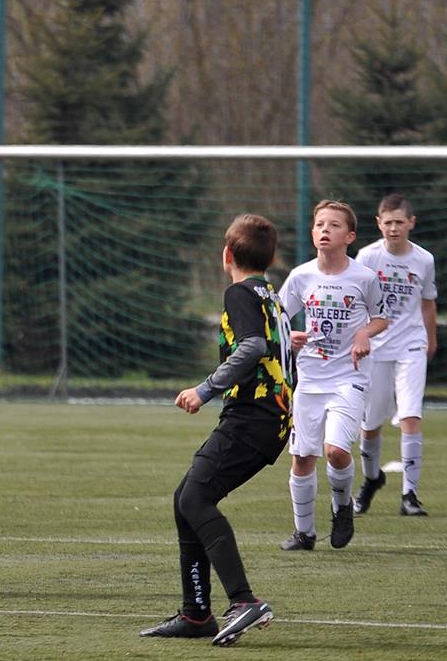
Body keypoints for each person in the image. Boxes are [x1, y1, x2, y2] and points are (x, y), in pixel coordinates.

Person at [140, 215, 294, 646]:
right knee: (185, 500)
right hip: (272, 418)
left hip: (253, 417)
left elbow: (252, 346)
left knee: (195, 498)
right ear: (272, 259)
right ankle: (196, 615)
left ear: (226, 255)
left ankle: (244, 601)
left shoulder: (239, 293)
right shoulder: (271, 296)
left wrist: (205, 389)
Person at [278, 200, 387, 551]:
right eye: (320, 224)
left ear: (350, 236)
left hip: (348, 378)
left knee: (336, 451)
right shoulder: (301, 276)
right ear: (313, 233)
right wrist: (289, 335)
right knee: (302, 456)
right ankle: (304, 533)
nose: (325, 229)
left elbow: (381, 318)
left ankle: (342, 509)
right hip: (310, 378)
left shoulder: (364, 278)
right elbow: (278, 317)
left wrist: (364, 333)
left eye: (334, 225)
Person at [352, 194, 438, 518]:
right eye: (387, 222)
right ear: (379, 223)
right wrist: (358, 338)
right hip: (376, 348)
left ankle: (409, 495)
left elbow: (427, 302)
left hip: (410, 345)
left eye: (399, 222)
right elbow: (356, 299)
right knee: (370, 425)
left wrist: (431, 338)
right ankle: (371, 479)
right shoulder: (368, 256)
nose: (393, 228)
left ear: (411, 223)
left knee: (410, 415)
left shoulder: (424, 260)